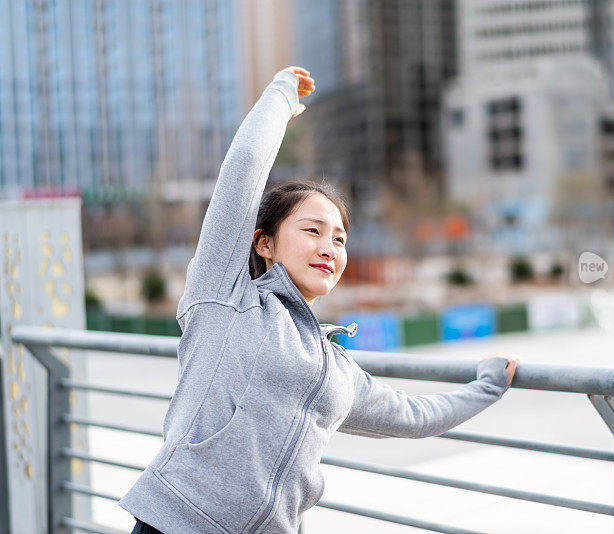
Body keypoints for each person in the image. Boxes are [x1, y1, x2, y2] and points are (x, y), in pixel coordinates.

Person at [118, 66, 519, 534]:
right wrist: (281, 95)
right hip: (178, 524)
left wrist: (488, 386)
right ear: (264, 243)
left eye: (340, 238)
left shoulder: (337, 367)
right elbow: (244, 167)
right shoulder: (223, 298)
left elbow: (414, 416)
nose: (330, 247)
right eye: (312, 231)